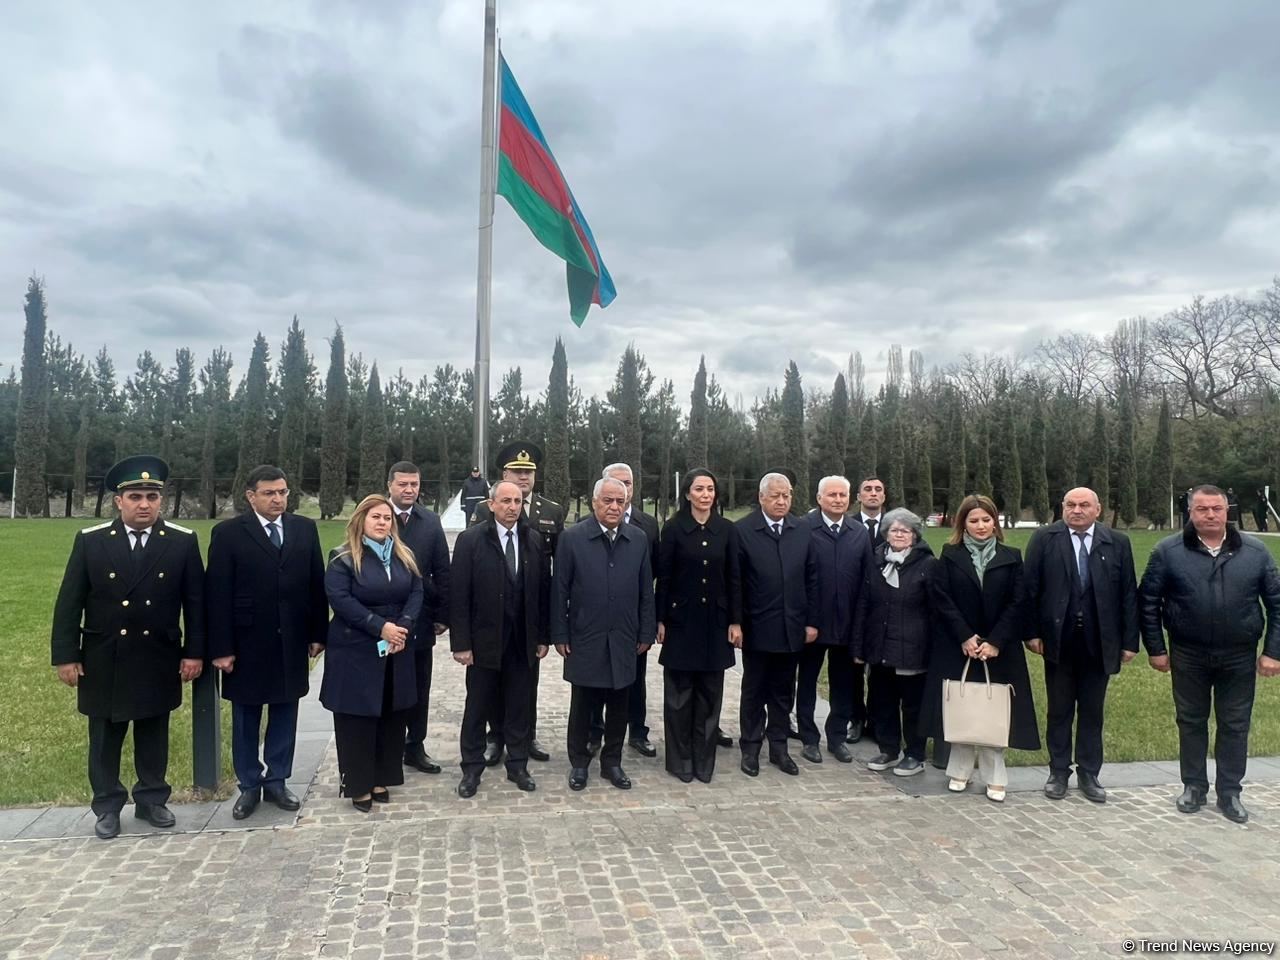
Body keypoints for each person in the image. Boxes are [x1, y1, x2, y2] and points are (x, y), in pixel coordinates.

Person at [51, 455, 205, 840]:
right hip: (105, 656)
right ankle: (106, 804)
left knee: (153, 729)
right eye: (135, 496)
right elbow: (70, 601)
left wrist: (194, 651)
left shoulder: (183, 542)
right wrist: (66, 655)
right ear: (119, 502)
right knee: (104, 737)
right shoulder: (92, 541)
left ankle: (152, 799)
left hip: (158, 655)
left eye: (151, 496)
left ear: (161, 500)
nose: (144, 504)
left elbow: (196, 604)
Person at [1138, 484, 1280, 824]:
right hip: (1188, 652)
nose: (1211, 514)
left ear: (1227, 510)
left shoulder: (1255, 551)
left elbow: (1277, 604)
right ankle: (1194, 786)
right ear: (1191, 512)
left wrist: (1272, 651)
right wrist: (1156, 648)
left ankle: (1229, 792)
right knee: (1190, 721)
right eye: (1202, 509)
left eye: (1217, 508)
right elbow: (1147, 603)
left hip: (1239, 654)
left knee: (1235, 723)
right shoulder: (1167, 551)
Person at [206, 465, 327, 820]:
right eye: (270, 493)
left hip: (290, 637)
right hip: (246, 641)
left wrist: (319, 633)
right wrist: (222, 647)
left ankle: (277, 780)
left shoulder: (304, 529)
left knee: (286, 709)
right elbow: (218, 593)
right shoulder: (228, 534)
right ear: (251, 496)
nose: (278, 499)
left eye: (283, 493)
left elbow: (315, 584)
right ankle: (249, 784)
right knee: (246, 713)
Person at [918, 494, 1040, 803]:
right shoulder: (949, 555)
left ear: (995, 522)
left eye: (986, 520)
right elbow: (941, 599)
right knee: (963, 709)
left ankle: (995, 776)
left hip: (1000, 649)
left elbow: (1018, 602)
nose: (981, 526)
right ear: (963, 524)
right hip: (959, 646)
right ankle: (958, 771)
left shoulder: (1012, 556)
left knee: (992, 714)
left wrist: (996, 641)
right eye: (974, 521)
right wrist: (965, 636)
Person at [1022, 487, 1139, 803]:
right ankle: (1058, 771)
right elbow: (1029, 590)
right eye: (1070, 505)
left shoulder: (1117, 543)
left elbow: (1128, 594)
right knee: (1058, 710)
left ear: (1097, 509)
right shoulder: (1044, 540)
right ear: (1062, 508)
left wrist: (1130, 641)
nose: (1077, 510)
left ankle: (1089, 773)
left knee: (1092, 711)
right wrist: (1031, 633)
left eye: (1084, 505)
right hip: (1058, 641)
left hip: (1099, 642)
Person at [320, 495, 424, 812]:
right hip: (357, 648)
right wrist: (380, 627)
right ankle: (358, 783)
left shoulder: (403, 556)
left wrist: (403, 625)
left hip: (396, 646)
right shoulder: (343, 559)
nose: (382, 523)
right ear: (361, 521)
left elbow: (416, 591)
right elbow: (341, 600)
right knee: (358, 718)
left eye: (387, 518)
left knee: (391, 714)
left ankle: (381, 777)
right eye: (375, 517)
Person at [553, 477, 655, 791]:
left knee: (619, 704)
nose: (613, 507)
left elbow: (645, 592)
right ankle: (579, 763)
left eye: (619, 502)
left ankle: (612, 762)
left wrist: (646, 631)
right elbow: (560, 590)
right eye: (607, 501)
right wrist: (560, 633)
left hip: (624, 636)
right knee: (583, 704)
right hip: (585, 635)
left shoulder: (637, 539)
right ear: (595, 502)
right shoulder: (572, 538)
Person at [450, 481, 551, 797]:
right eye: (505, 500)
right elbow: (459, 595)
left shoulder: (533, 539)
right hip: (483, 643)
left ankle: (518, 764)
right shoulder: (470, 541)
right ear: (491, 504)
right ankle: (471, 768)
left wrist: (543, 637)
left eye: (517, 501)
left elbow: (542, 593)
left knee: (519, 705)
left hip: (522, 641)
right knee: (478, 706)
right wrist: (461, 643)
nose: (512, 507)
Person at [471, 441, 563, 765]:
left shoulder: (551, 511)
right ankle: (495, 737)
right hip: (495, 609)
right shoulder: (485, 509)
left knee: (527, 680)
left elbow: (557, 568)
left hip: (530, 609)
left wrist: (549, 626)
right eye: (516, 472)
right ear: (504, 473)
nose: (523, 478)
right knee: (494, 681)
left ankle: (526, 736)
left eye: (528, 473)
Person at [655, 468, 743, 783]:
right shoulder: (674, 528)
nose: (705, 495)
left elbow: (735, 578)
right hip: (681, 623)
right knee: (678, 697)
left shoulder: (727, 530)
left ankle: (704, 760)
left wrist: (736, 620)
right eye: (699, 489)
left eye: (710, 489)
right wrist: (660, 618)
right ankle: (679, 761)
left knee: (709, 696)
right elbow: (663, 577)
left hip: (715, 625)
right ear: (688, 493)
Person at [736, 471, 818, 777]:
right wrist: (737, 623)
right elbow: (736, 583)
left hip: (793, 626)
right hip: (757, 627)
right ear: (761, 497)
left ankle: (779, 747)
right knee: (754, 690)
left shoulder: (802, 530)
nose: (782, 501)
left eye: (787, 496)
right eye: (775, 495)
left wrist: (812, 622)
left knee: (784, 691)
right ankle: (750, 747)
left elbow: (813, 578)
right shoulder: (743, 530)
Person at [797, 475, 874, 764]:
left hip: (848, 625)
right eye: (832, 495)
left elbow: (866, 579)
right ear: (819, 499)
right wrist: (806, 620)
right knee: (807, 682)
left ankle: (837, 737)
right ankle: (809, 738)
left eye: (843, 495)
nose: (838, 500)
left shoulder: (858, 532)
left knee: (844, 684)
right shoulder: (804, 529)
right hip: (812, 625)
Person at [854, 508, 936, 777]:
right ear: (885, 534)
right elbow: (863, 604)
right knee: (882, 701)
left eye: (905, 530)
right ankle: (889, 748)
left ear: (914, 535)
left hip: (913, 648)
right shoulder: (876, 561)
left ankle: (914, 753)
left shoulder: (927, 564)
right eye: (894, 530)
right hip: (879, 647)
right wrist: (859, 647)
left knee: (912, 705)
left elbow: (937, 609)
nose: (899, 534)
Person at [588, 462, 661, 758]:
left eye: (628, 484)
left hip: (631, 620)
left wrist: (648, 622)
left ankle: (637, 730)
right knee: (593, 682)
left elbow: (652, 576)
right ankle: (594, 731)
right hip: (597, 622)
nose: (623, 490)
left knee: (635, 679)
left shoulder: (648, 525)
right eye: (616, 484)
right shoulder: (587, 523)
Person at [385, 461, 451, 777]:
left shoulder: (430, 521)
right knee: (387, 685)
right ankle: (387, 747)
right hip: (383, 621)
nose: (409, 490)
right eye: (403, 484)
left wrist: (442, 615)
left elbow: (443, 571)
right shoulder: (375, 516)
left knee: (419, 686)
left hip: (421, 621)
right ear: (390, 486)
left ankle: (415, 746)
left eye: (414, 484)